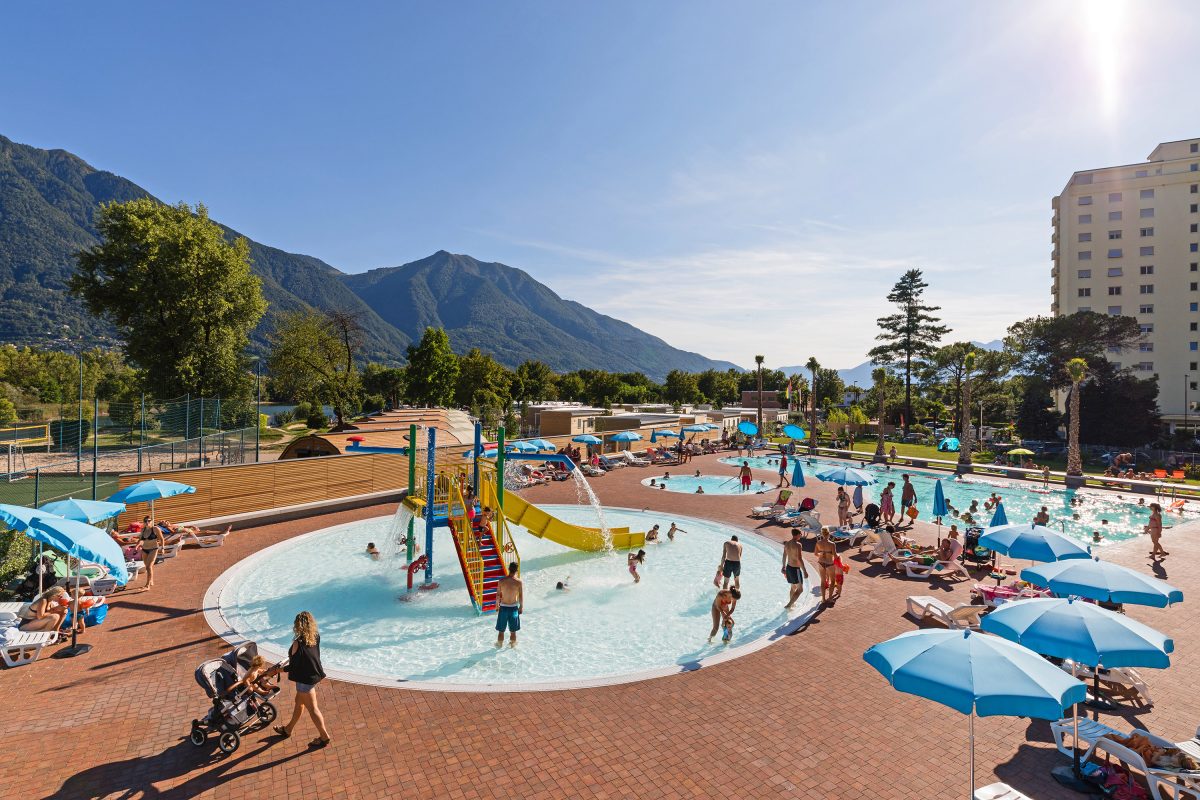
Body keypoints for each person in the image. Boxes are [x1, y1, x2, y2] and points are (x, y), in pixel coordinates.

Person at [274, 611, 331, 748]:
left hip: (305, 681)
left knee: (313, 709)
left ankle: (324, 737)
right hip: (313, 675)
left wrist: (276, 670)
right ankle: (288, 729)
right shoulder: (315, 636)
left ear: (297, 625)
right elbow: (310, 657)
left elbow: (293, 667)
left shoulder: (297, 643)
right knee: (298, 703)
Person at [495, 562, 524, 645]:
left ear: (509, 569)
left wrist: (497, 606)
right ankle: (512, 646)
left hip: (503, 608)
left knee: (501, 631)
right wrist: (521, 607)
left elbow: (498, 595)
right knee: (513, 632)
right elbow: (520, 596)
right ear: (516, 570)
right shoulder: (519, 582)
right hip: (513, 608)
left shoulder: (501, 581)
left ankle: (499, 645)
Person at [782, 528, 809, 610]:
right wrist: (804, 571)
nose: (801, 535)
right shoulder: (798, 545)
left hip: (789, 568)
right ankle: (789, 605)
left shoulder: (787, 544)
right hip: (795, 569)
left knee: (793, 587)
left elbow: (784, 556)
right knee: (800, 590)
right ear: (797, 535)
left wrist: (783, 567)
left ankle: (792, 604)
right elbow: (799, 559)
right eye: (800, 534)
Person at [138, 516, 166, 589]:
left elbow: (162, 539)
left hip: (153, 549)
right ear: (144, 522)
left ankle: (147, 585)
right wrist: (137, 546)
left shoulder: (155, 529)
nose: (147, 522)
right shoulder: (143, 530)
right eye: (145, 521)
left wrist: (162, 548)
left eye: (149, 521)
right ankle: (151, 580)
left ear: (152, 521)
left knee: (149, 566)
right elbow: (141, 540)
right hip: (144, 550)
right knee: (147, 567)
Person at [813, 528, 837, 603]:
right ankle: (830, 598)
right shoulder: (832, 544)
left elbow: (815, 554)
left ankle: (823, 599)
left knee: (823, 581)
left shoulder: (818, 543)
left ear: (822, 534)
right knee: (832, 581)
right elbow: (835, 556)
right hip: (829, 563)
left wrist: (821, 554)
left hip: (821, 563)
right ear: (829, 534)